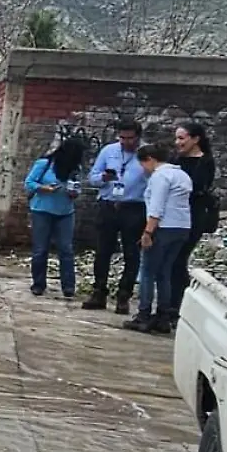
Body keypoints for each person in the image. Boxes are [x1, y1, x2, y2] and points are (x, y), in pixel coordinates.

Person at [127, 143, 194, 334]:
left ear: (150, 159)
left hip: (162, 228)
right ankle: (163, 315)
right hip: (182, 227)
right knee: (165, 272)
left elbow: (156, 207)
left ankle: (144, 315)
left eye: (143, 164)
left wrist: (148, 232)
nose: (143, 169)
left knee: (148, 271)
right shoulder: (182, 175)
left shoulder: (160, 176)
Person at [82, 121, 146, 314]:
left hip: (134, 206)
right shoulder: (109, 151)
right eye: (122, 138)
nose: (126, 142)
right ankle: (99, 291)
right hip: (108, 204)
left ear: (138, 137)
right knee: (103, 250)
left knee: (131, 253)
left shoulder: (146, 154)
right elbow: (92, 177)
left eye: (130, 138)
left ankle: (123, 295)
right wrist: (103, 178)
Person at [22, 135, 87, 298]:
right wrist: (44, 188)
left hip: (65, 212)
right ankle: (38, 284)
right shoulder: (45, 164)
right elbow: (29, 183)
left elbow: (78, 189)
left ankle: (68, 286)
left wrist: (73, 193)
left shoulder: (75, 169)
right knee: (40, 249)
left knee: (66, 249)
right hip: (42, 211)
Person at [167, 121, 218, 317]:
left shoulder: (204, 162)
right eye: (177, 138)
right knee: (170, 261)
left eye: (182, 138)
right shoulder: (176, 160)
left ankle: (178, 306)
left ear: (195, 139)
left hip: (193, 216)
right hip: (173, 215)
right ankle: (169, 304)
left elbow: (196, 187)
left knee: (179, 259)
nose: (178, 142)